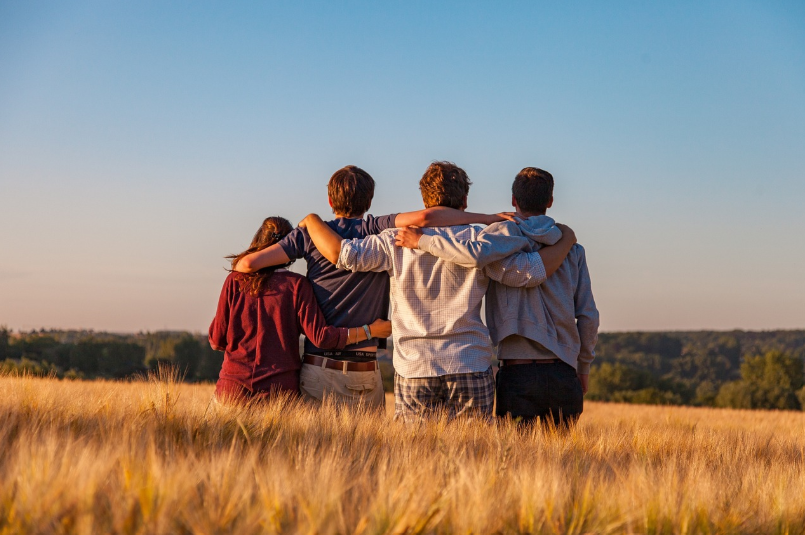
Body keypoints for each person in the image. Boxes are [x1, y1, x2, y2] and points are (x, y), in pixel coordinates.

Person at [299, 162, 577, 421]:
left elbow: (345, 255)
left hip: (414, 366)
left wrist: (312, 221)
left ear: (424, 201)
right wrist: (566, 240)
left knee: (416, 459)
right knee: (474, 457)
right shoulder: (481, 241)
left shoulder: (394, 240)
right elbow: (528, 273)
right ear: (465, 201)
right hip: (469, 362)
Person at [232, 165, 515, 410]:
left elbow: (246, 266)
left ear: (330, 200)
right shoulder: (376, 228)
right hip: (365, 370)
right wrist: (487, 218)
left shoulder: (309, 235)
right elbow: (427, 218)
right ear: (369, 201)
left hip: (319, 366)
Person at [396, 167, 599, 427]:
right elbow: (588, 316)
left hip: (517, 372)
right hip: (564, 371)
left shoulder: (495, 242)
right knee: (561, 464)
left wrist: (423, 241)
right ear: (549, 201)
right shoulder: (572, 249)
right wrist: (583, 367)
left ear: (513, 200)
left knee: (514, 462)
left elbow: (473, 255)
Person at [208, 216, 391, 404]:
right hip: (279, 394)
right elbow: (322, 337)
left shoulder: (234, 281)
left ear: (258, 241)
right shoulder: (297, 285)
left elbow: (217, 340)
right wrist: (370, 331)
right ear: (290, 248)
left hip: (232, 390)